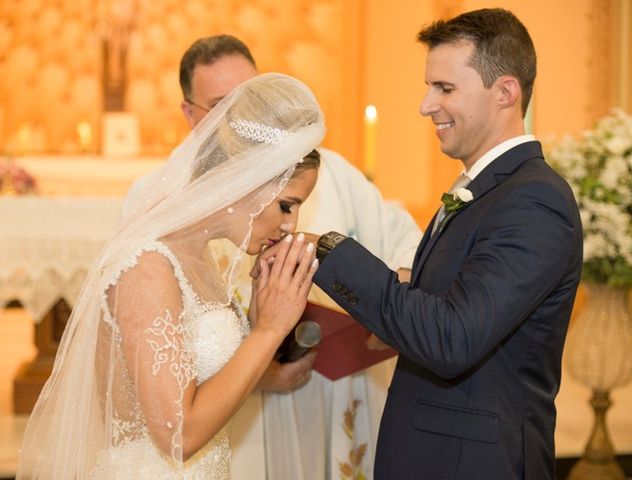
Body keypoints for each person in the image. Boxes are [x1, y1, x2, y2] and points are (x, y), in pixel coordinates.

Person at [258, 8, 583, 479]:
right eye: (430, 86)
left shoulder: (534, 200)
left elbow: (451, 339)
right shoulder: (487, 190)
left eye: (445, 88)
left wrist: (327, 248)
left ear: (505, 93)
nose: (426, 105)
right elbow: (452, 305)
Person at [123, 35, 422, 479]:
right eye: (224, 106)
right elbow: (163, 390)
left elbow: (403, 245)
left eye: (251, 98)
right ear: (190, 114)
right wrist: (264, 341)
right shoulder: (157, 204)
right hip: (220, 423)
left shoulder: (322, 171)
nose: (288, 222)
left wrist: (394, 309)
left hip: (320, 396)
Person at [17, 73, 324, 479]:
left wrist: (262, 310)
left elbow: (212, 380)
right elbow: (178, 435)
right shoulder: (148, 264)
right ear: (247, 178)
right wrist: (268, 330)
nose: (290, 224)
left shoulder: (199, 256)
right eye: (287, 205)